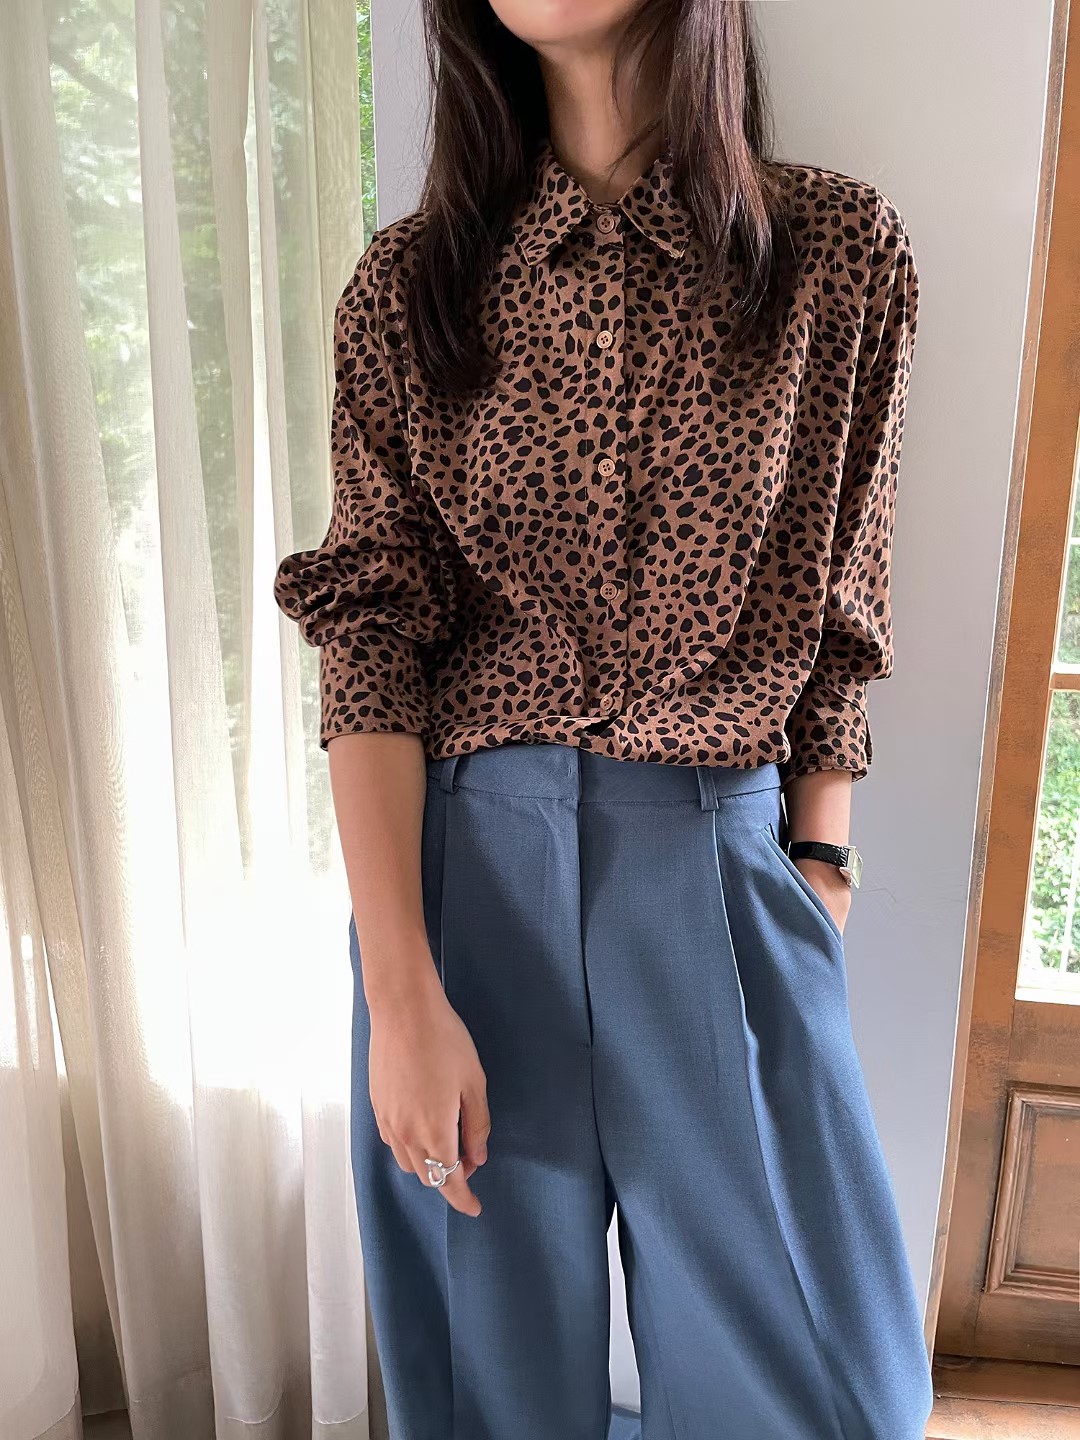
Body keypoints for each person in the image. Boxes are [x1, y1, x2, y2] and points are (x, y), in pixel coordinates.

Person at [273, 2, 933, 1437]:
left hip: (715, 865)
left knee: (826, 1390)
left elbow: (845, 603)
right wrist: (401, 994)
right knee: (490, 1384)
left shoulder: (833, 251)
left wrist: (818, 868)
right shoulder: (416, 287)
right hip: (467, 892)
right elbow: (371, 641)